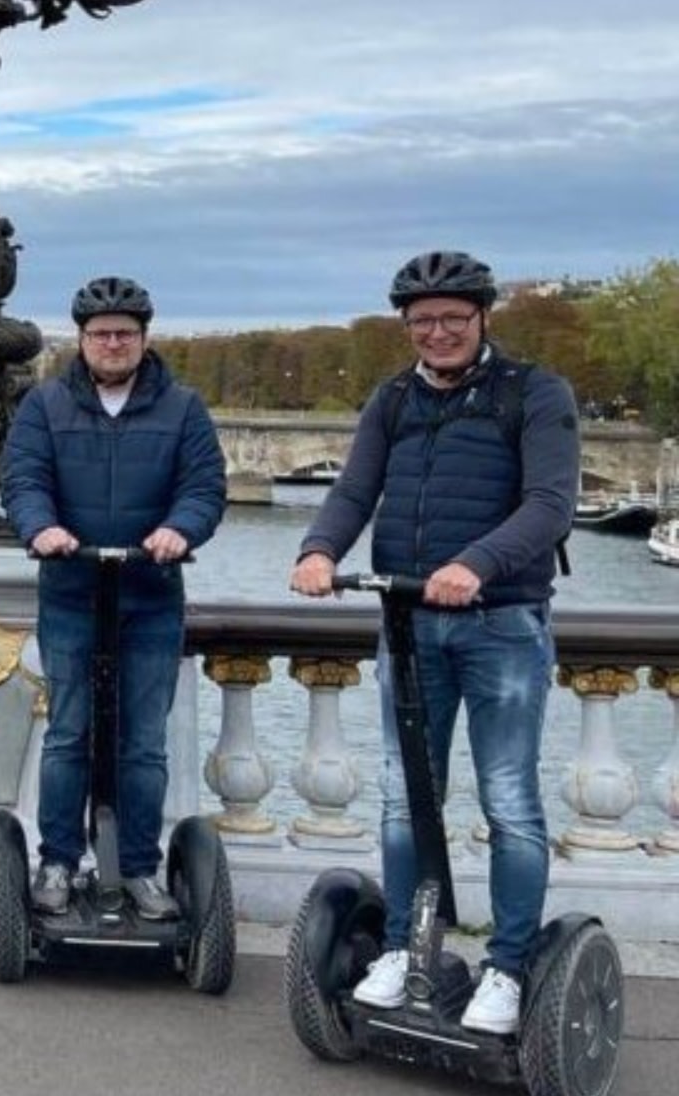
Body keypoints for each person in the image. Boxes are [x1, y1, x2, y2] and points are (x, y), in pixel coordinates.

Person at [292, 250, 577, 1035]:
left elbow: (551, 505)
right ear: (407, 327)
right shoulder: (392, 399)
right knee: (401, 798)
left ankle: (509, 968)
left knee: (509, 800)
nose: (439, 332)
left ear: (484, 317)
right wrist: (320, 549)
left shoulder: (535, 393)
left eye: (454, 318)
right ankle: (401, 948)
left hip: (502, 624)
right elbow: (355, 489)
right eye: (424, 321)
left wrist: (474, 564)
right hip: (408, 623)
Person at [0, 275, 227, 921]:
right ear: (82, 341)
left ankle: (139, 868)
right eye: (101, 334)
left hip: (150, 594)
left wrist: (179, 530)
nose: (113, 343)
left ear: (144, 339)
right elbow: (23, 478)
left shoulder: (182, 408)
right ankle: (59, 860)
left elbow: (205, 486)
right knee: (68, 732)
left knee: (143, 742)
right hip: (72, 591)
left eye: (125, 333)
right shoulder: (45, 406)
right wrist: (40, 526)